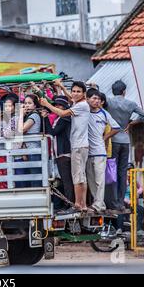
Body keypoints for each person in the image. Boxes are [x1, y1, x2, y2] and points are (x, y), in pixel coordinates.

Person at [40, 80, 90, 212]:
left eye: (78, 91)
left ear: (84, 94)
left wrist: (47, 104)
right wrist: (61, 86)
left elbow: (62, 113)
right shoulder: (78, 103)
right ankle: (82, 204)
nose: (74, 94)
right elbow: (70, 98)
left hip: (78, 146)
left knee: (77, 178)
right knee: (81, 177)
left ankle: (78, 205)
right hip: (79, 145)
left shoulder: (82, 106)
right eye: (74, 91)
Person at [107, 80, 144, 212]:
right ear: (124, 91)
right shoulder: (130, 103)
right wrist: (131, 124)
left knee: (112, 171)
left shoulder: (109, 102)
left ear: (113, 91)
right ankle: (120, 202)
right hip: (125, 140)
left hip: (112, 139)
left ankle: (113, 201)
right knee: (122, 172)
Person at [85, 89, 120, 213]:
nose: (96, 101)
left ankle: (99, 204)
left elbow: (116, 128)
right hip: (87, 151)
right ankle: (97, 203)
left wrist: (105, 137)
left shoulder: (104, 113)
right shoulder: (84, 111)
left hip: (100, 152)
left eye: (98, 99)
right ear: (87, 99)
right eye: (94, 98)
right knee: (90, 179)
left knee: (100, 180)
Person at [41, 95, 74, 212]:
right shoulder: (60, 118)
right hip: (61, 153)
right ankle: (68, 204)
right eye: (56, 105)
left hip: (64, 153)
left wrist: (45, 118)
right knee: (64, 181)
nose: (57, 107)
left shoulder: (65, 118)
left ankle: (69, 204)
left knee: (66, 181)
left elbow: (52, 132)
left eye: (60, 105)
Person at [19, 94, 43, 187]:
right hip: (28, 150)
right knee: (30, 177)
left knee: (35, 177)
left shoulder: (34, 115)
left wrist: (21, 114)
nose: (27, 105)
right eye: (25, 103)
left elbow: (21, 129)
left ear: (35, 105)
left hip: (34, 150)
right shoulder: (28, 115)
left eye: (30, 103)